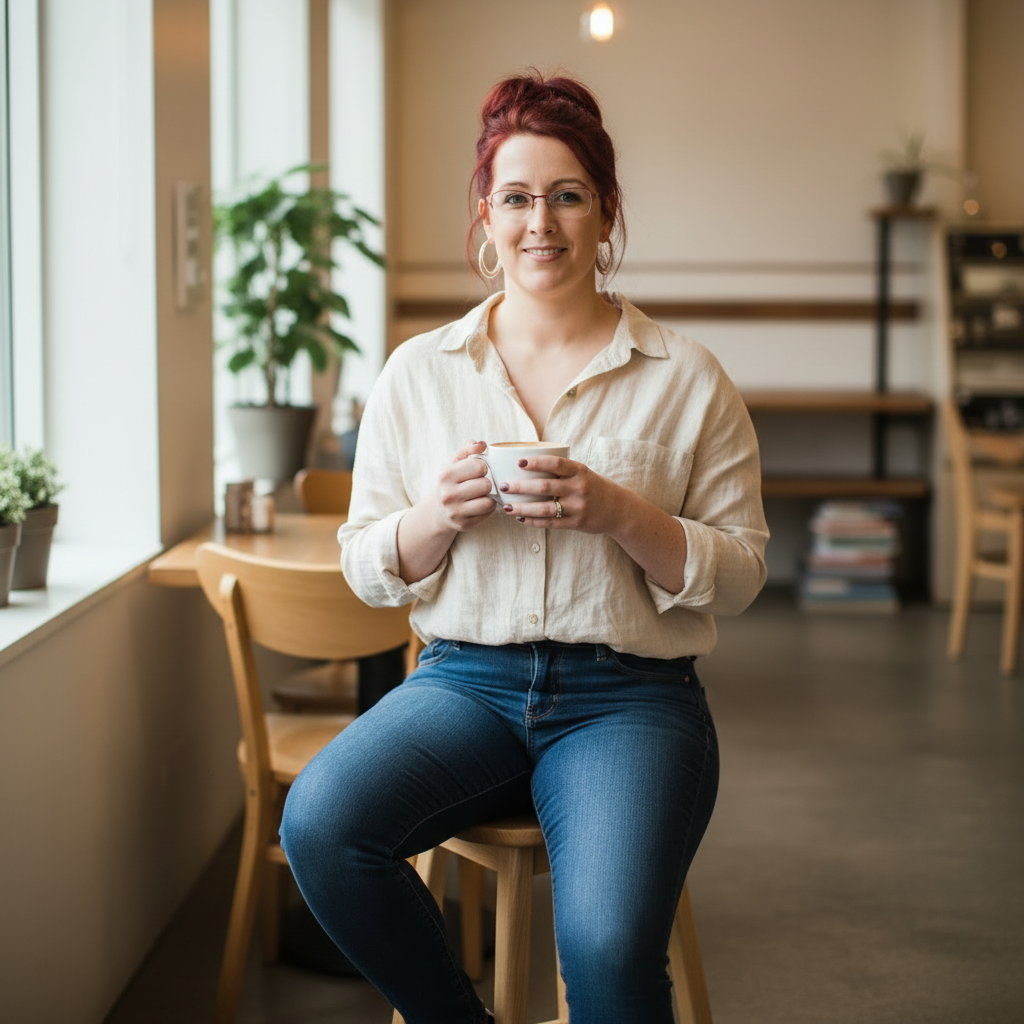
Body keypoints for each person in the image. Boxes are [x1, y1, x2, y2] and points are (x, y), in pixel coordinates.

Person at [281, 71, 769, 1024]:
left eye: (567, 195)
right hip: (464, 683)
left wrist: (622, 513)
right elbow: (365, 560)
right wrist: (436, 515)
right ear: (485, 216)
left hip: (630, 698)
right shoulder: (418, 374)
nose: (539, 222)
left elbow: (743, 571)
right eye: (516, 197)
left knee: (604, 949)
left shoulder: (689, 378)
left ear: (606, 212)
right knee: (323, 824)